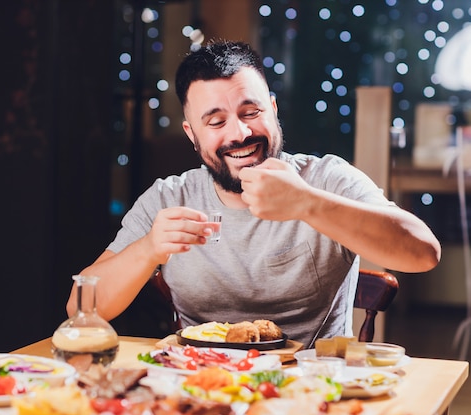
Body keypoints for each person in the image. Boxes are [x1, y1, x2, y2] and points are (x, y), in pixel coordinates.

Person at [67, 40, 441, 347]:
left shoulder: (325, 178)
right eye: (215, 121)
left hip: (310, 389)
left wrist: (308, 204)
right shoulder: (170, 196)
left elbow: (424, 252)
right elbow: (82, 307)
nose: (239, 134)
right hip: (199, 385)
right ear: (191, 134)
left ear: (273, 111)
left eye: (251, 112)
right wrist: (148, 248)